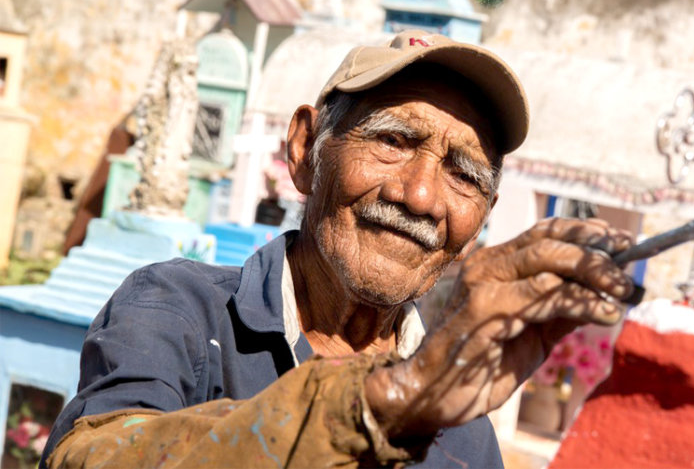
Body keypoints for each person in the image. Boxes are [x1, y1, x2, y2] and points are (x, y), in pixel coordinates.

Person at [43, 30, 634, 468]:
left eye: (464, 176)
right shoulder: (179, 309)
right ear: (305, 150)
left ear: (479, 223)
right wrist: (382, 405)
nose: (422, 196)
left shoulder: (466, 431)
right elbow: (91, 457)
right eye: (394, 140)